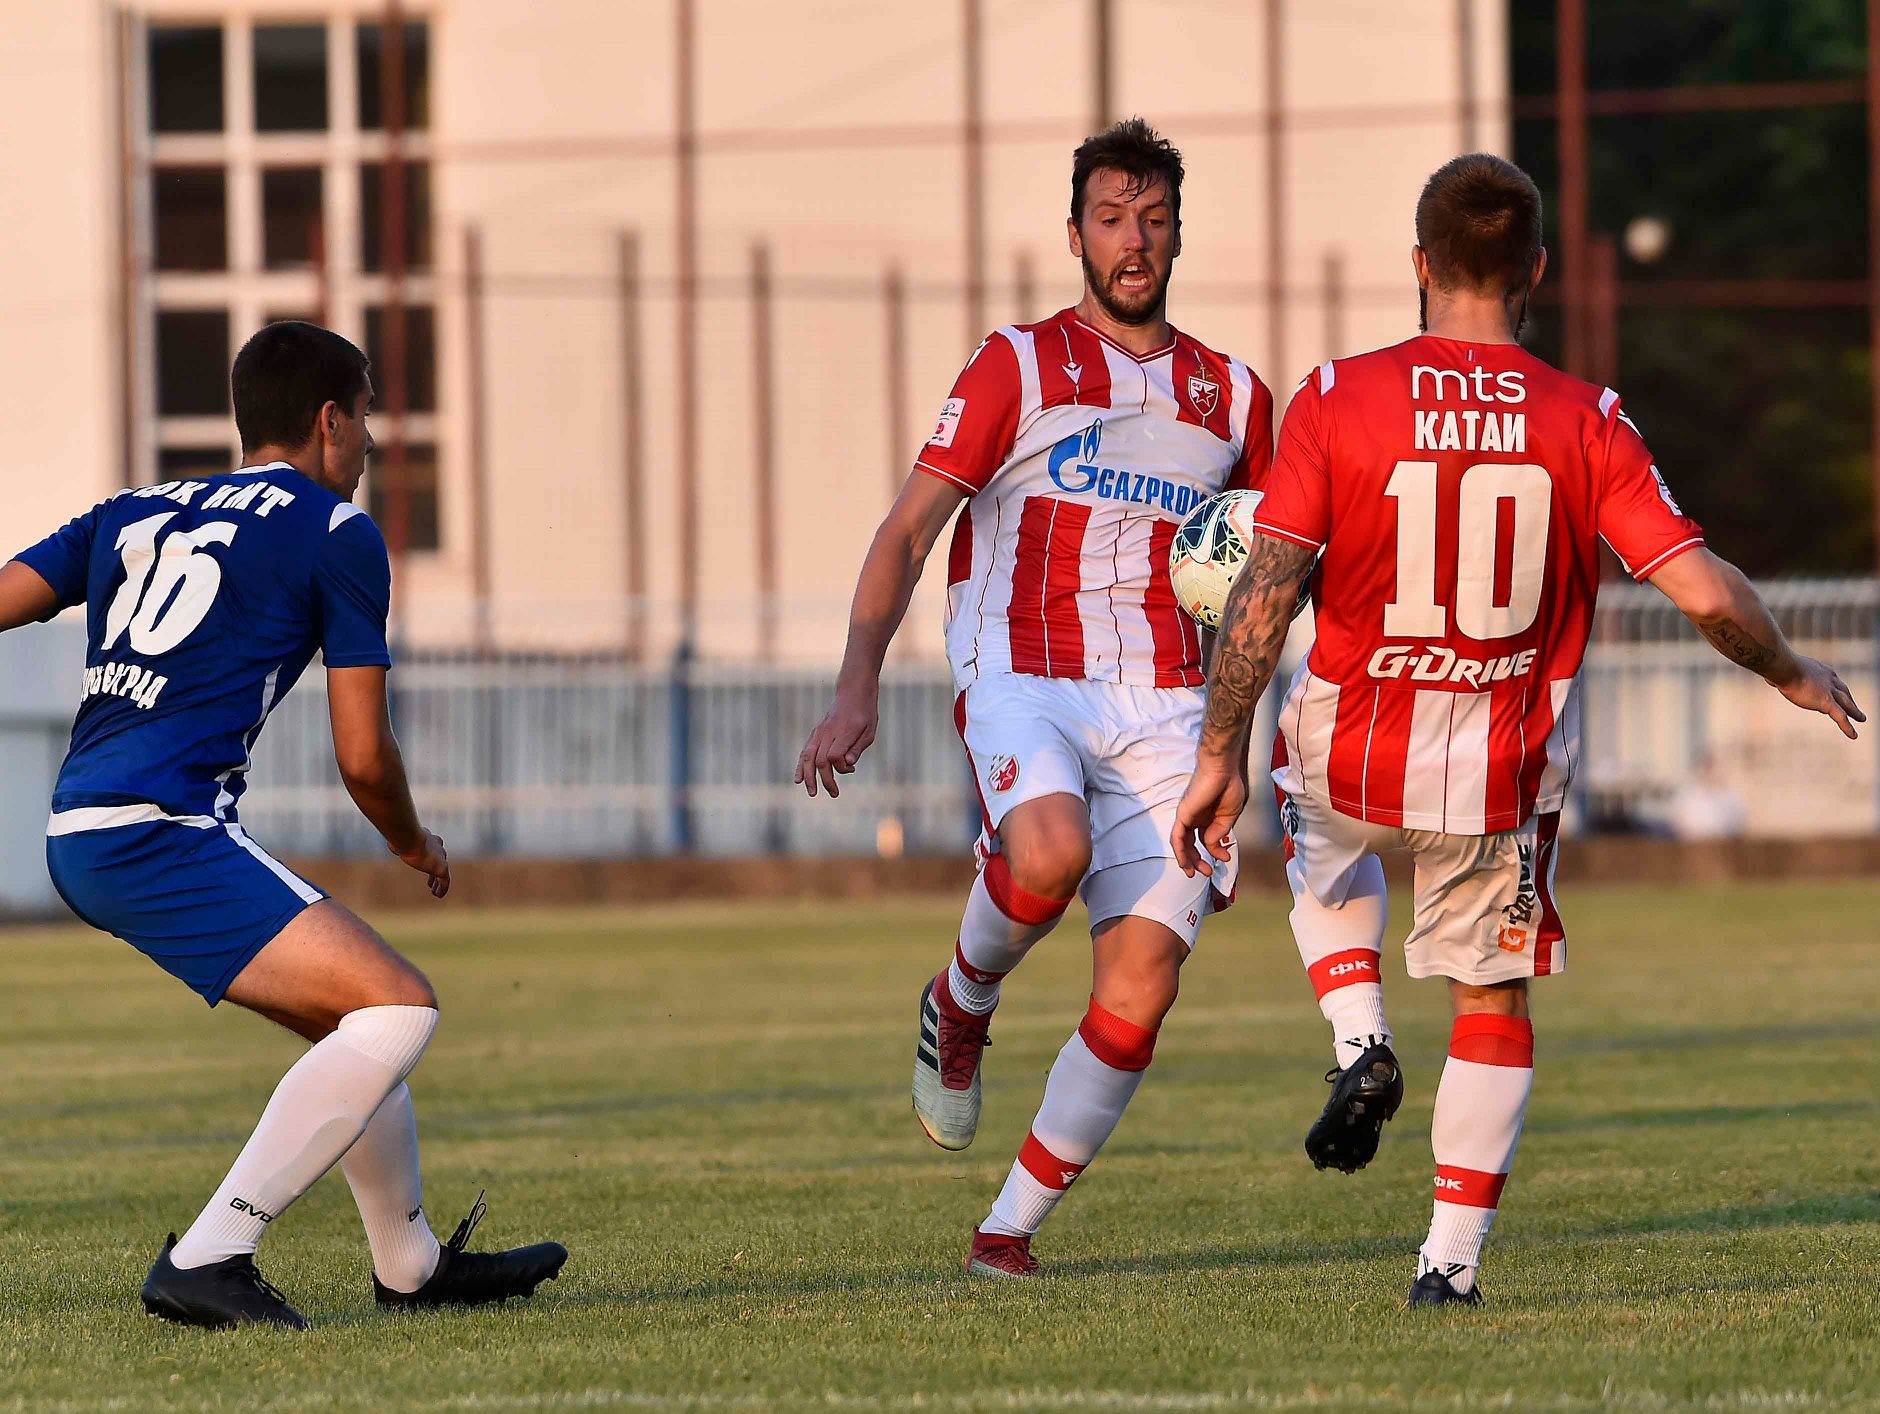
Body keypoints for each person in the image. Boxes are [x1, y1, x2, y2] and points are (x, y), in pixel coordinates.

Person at [1171, 153, 1864, 1307]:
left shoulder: (1336, 395)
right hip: (1496, 772)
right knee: (1490, 1001)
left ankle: (1357, 1038)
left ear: (1419, 263)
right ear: (1534, 268)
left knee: (1313, 826)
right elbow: (1703, 592)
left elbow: (1265, 589)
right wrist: (1786, 668)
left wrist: (1215, 755)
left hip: (1349, 747)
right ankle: (1445, 1267)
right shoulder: (1585, 419)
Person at [0, 322, 567, 1329]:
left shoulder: (134, 509)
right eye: (368, 417)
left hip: (84, 822)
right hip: (158, 827)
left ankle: (410, 1266)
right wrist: (411, 840)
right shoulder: (336, 531)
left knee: (357, 1025)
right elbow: (363, 753)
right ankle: (209, 1255)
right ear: (329, 419)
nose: (372, 442)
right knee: (398, 1009)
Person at [795, 119, 1272, 1276]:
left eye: (1152, 219)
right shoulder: (1015, 363)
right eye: (1110, 218)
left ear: (1176, 233)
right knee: (1047, 853)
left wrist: (1238, 736)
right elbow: (908, 530)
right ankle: (961, 1000)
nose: (1132, 241)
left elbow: (1268, 580)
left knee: (1142, 984)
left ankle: (1005, 1228)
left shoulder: (1234, 397)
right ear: (1074, 235)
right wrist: (856, 684)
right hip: (1023, 667)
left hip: (1170, 701)